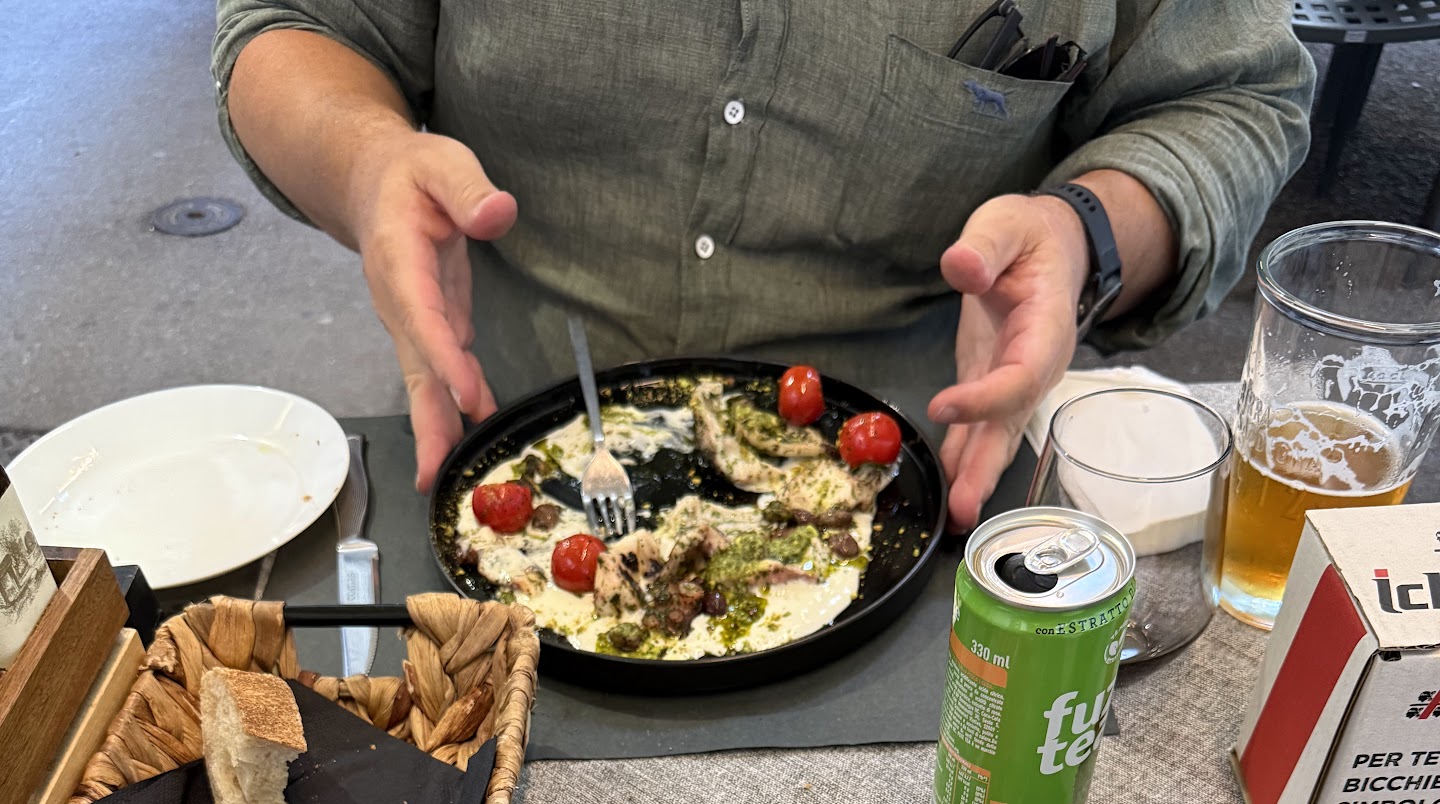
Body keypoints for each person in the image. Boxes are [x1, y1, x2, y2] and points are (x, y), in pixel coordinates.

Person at [212, 2, 1313, 528]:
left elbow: (1234, 99)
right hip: (505, 460)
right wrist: (366, 161)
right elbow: (296, 25)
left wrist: (1085, 230)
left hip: (917, 497)